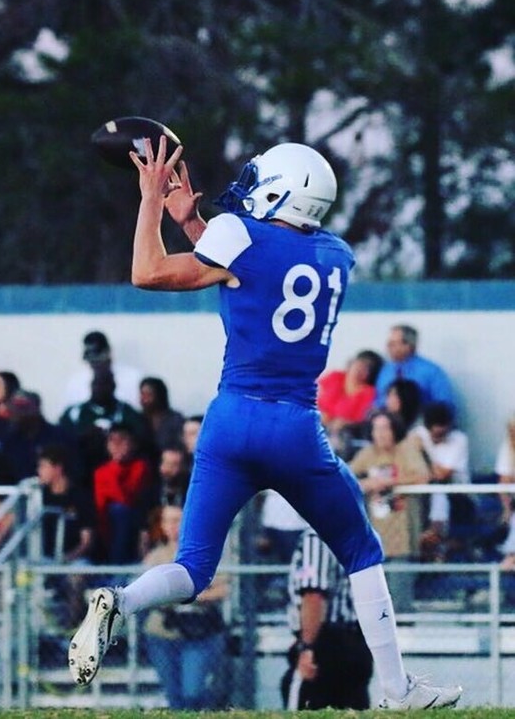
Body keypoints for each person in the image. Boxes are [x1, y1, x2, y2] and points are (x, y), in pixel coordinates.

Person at [67, 138, 461, 708]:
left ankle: (120, 601)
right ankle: (397, 688)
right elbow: (253, 271)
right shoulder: (336, 255)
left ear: (283, 190)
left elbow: (149, 272)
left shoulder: (242, 234)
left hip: (229, 422)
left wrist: (152, 200)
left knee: (193, 567)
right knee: (360, 551)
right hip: (294, 427)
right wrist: (194, 221)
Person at [142, 504, 229, 710]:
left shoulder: (207, 553)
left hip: (200, 631)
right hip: (163, 633)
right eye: (168, 521)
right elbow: (151, 594)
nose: (174, 526)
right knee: (174, 696)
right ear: (161, 526)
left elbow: (224, 588)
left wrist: (190, 596)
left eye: (179, 520)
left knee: (193, 692)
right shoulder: (154, 558)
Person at [281, 527, 373, 710]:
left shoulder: (317, 536)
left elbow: (314, 594)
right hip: (355, 641)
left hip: (327, 644)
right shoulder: (353, 531)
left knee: (301, 703)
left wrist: (307, 647)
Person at [348, 410, 431, 610]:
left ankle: (404, 626)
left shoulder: (406, 449)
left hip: (402, 531)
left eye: (386, 428)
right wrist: (366, 483)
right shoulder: (368, 454)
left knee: (400, 590)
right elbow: (345, 476)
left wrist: (392, 482)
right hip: (375, 532)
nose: (382, 434)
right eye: (377, 429)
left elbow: (422, 476)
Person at [37, 443, 96, 626]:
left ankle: (71, 628)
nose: (39, 471)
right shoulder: (38, 497)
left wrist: (65, 558)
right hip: (44, 558)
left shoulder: (80, 497)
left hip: (73, 558)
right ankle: (41, 629)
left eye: (43, 466)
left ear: (57, 468)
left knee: (77, 576)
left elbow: (87, 541)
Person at [409, 401, 471, 562]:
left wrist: (424, 452)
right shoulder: (417, 434)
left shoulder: (459, 440)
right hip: (425, 493)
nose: (439, 439)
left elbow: (442, 475)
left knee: (439, 492)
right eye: (435, 435)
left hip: (458, 496)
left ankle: (435, 536)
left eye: (442, 434)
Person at [92, 423, 153, 565]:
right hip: (105, 528)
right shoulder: (100, 472)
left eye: (122, 440)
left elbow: (126, 497)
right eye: (112, 440)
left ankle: (118, 566)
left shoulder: (140, 467)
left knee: (120, 510)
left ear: (133, 444)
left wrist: (115, 467)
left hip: (134, 522)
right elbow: (100, 504)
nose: (117, 445)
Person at [374, 325, 456, 413]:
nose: (388, 348)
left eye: (393, 344)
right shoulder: (386, 371)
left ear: (409, 346)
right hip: (389, 422)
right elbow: (378, 400)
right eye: (388, 344)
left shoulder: (431, 372)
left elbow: (445, 406)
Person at [317, 349, 383, 455]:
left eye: (367, 368)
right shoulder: (334, 376)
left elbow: (362, 420)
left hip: (342, 435)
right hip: (315, 422)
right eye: (359, 364)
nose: (360, 370)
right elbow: (313, 392)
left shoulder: (368, 392)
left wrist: (342, 423)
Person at [62, 330, 143, 410]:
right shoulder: (76, 382)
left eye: (99, 358)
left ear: (108, 351)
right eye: (92, 360)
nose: (96, 363)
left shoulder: (133, 378)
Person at [139, 376, 185, 454]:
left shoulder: (175, 420)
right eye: (142, 394)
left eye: (148, 395)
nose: (144, 399)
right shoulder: (137, 419)